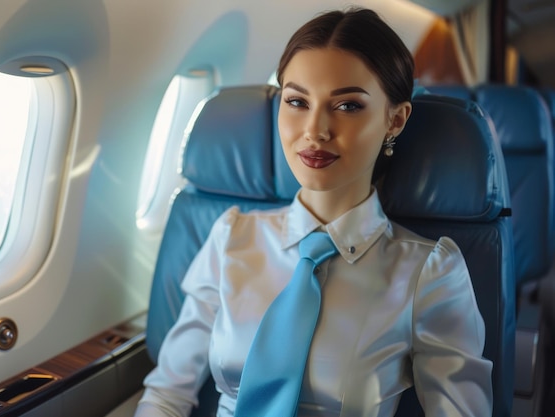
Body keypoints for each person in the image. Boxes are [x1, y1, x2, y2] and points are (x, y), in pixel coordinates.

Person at [134, 7, 492, 417]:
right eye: (297, 101)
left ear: (395, 119)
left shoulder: (428, 271)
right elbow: (167, 394)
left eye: (348, 106)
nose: (315, 130)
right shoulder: (232, 237)